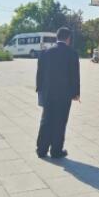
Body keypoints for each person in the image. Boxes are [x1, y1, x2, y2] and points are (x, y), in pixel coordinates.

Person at [35, 27, 80, 159]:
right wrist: (76, 93)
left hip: (48, 93)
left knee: (46, 120)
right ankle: (56, 150)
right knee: (60, 122)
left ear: (57, 37)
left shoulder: (46, 52)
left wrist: (39, 89)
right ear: (68, 38)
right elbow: (75, 75)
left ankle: (41, 149)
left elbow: (40, 73)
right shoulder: (72, 53)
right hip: (64, 95)